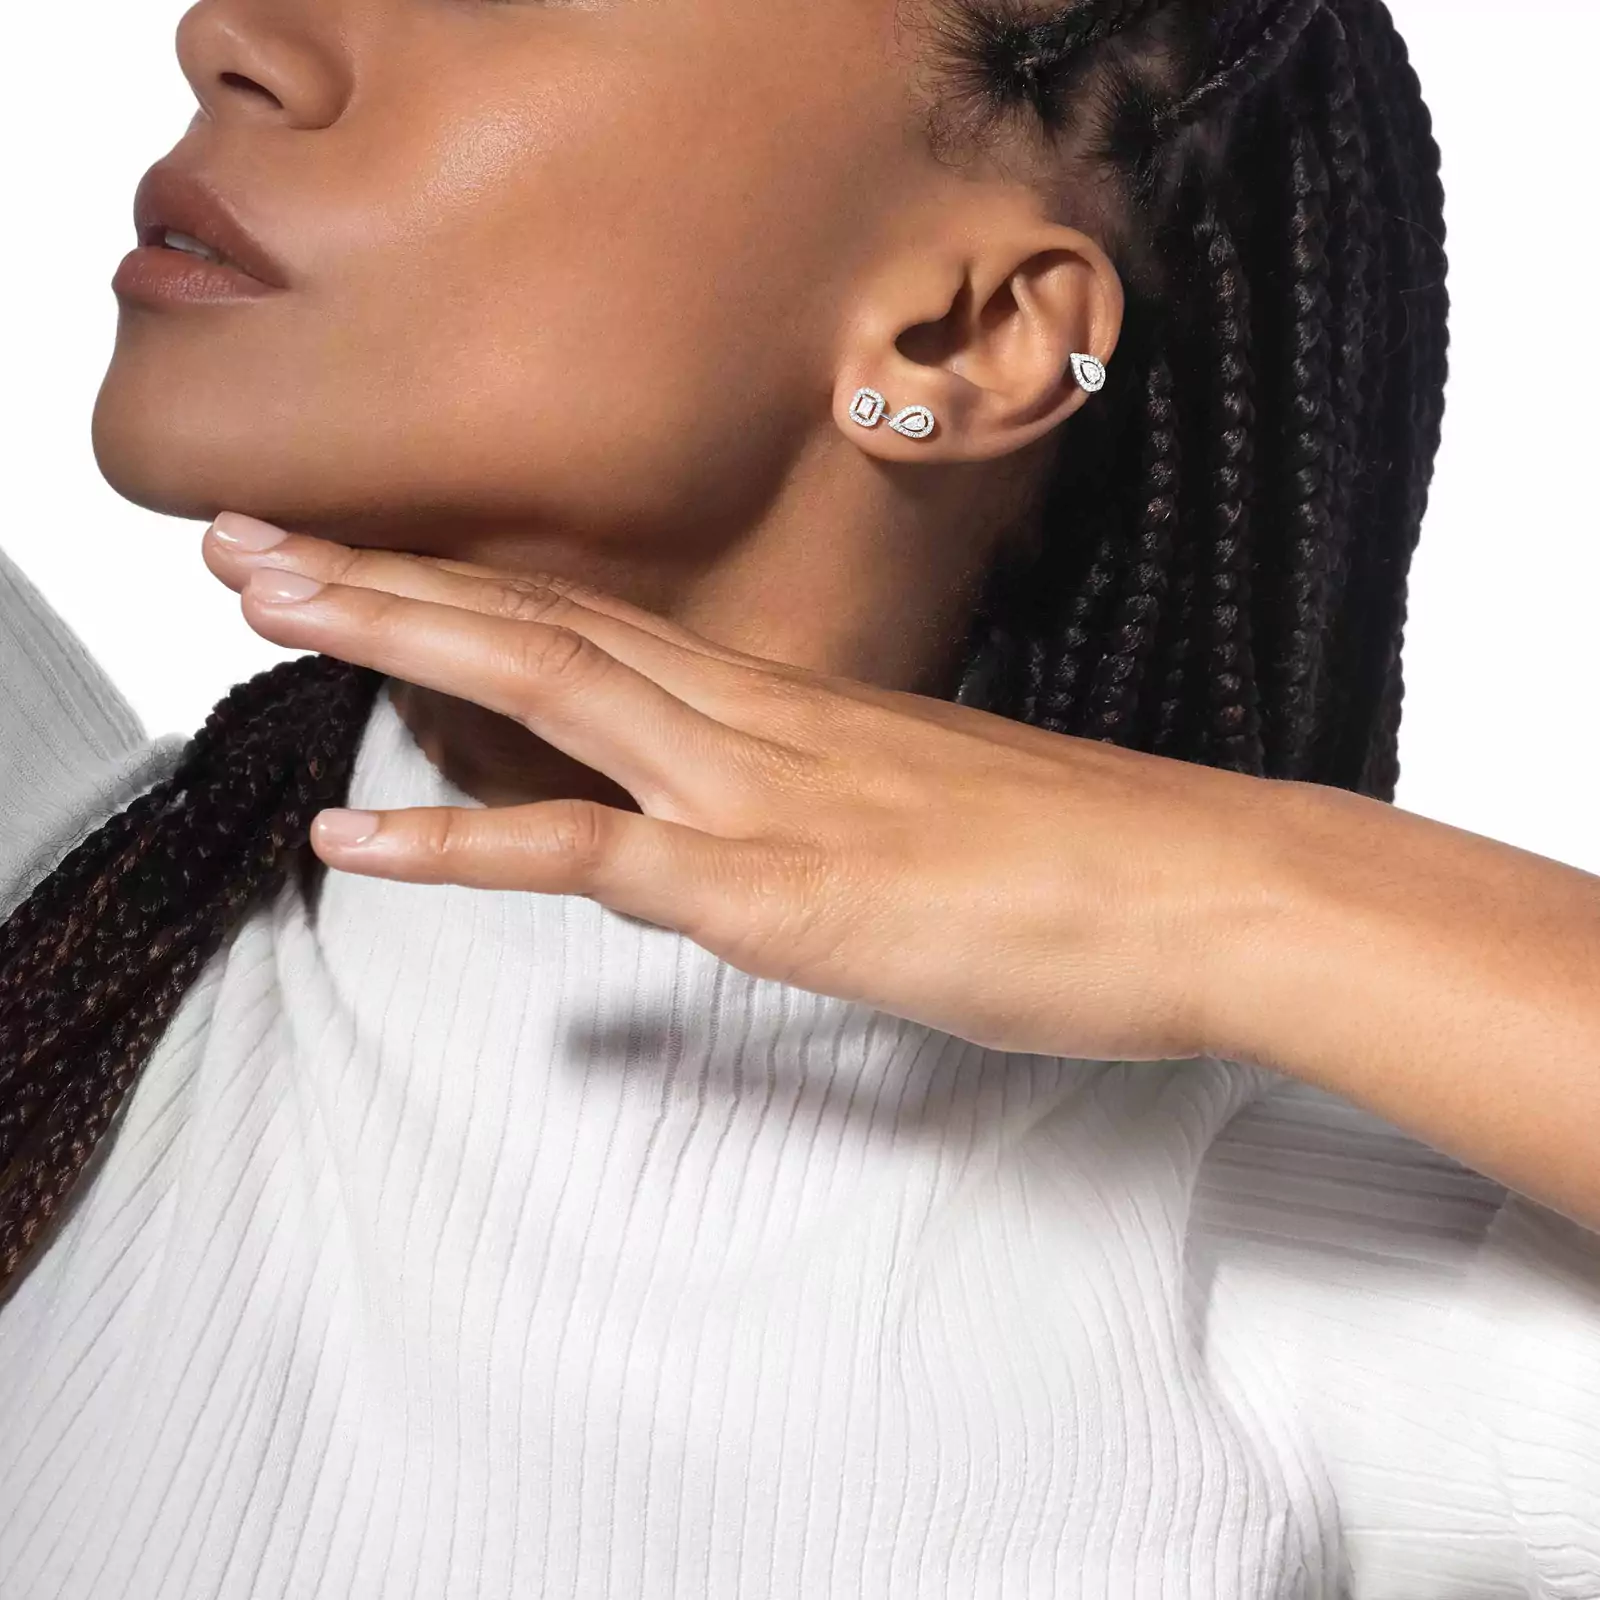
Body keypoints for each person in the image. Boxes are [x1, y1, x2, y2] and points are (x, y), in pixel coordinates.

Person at [1, 0, 1596, 1595]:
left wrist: (1233, 895)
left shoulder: (1357, 1306)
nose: (231, 35)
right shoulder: (63, 921)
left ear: (968, 338)